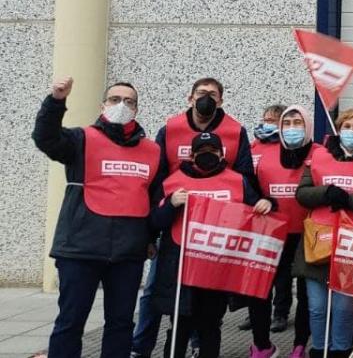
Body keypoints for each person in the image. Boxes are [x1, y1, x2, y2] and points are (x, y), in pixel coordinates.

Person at [33, 78, 160, 358]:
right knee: (70, 323)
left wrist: (149, 238)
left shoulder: (152, 151)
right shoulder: (80, 139)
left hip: (128, 253)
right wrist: (56, 100)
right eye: (115, 99)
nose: (121, 106)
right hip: (80, 248)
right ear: (103, 105)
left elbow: (152, 199)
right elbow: (45, 138)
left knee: (121, 324)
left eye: (129, 101)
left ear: (137, 109)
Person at [134, 77, 257, 356]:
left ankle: (201, 347)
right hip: (177, 237)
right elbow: (158, 180)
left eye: (213, 94)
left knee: (209, 313)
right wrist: (152, 232)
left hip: (216, 241)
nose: (207, 98)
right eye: (201, 93)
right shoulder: (170, 129)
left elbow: (245, 178)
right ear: (190, 98)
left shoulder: (236, 131)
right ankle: (140, 348)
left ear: (221, 100)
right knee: (158, 296)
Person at [151, 132, 274, 358]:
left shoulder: (237, 181)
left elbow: (255, 208)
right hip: (181, 268)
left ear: (221, 154)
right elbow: (155, 221)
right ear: (191, 155)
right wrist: (171, 204)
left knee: (210, 326)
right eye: (201, 152)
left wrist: (265, 203)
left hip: (217, 269)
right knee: (180, 325)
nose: (207, 156)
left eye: (213, 152)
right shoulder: (172, 181)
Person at [294, 110, 353, 358]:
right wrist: (326, 193)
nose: (352, 131)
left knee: (345, 307)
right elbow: (302, 194)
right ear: (338, 128)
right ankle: (320, 349)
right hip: (318, 242)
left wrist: (349, 199)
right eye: (347, 126)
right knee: (317, 307)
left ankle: (340, 351)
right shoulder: (318, 157)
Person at [245, 105, 314, 357]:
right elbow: (247, 185)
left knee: (306, 293)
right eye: (287, 123)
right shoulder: (263, 152)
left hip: (306, 234)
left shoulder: (319, 153)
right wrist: (260, 200)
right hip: (270, 232)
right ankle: (262, 345)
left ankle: (299, 346)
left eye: (298, 123)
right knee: (259, 290)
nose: (292, 128)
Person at [236, 105, 286, 335]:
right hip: (256, 216)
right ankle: (255, 312)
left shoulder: (287, 147)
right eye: (266, 119)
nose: (268, 123)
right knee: (258, 269)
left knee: (282, 272)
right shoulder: (253, 146)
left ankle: (280, 313)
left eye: (274, 120)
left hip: (281, 216)